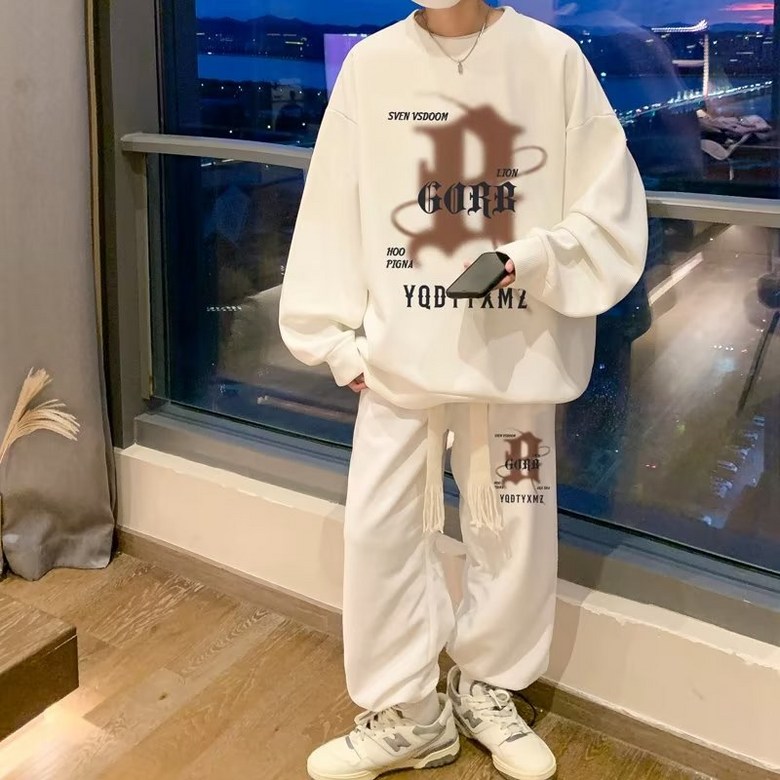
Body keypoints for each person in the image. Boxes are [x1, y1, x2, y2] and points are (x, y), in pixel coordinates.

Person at [279, 1, 648, 778]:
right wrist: (334, 341)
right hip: (400, 360)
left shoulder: (551, 59)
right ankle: (411, 715)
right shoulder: (372, 66)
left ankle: (489, 688)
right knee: (380, 531)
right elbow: (334, 206)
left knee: (515, 524)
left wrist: (529, 259)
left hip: (515, 357)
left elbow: (609, 209)